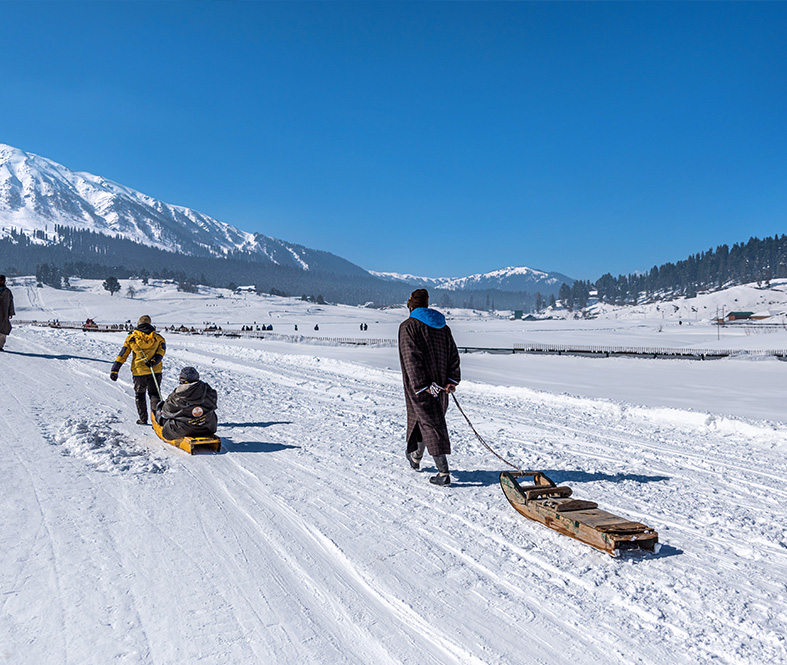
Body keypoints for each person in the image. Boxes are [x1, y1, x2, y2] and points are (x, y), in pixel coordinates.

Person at [398, 288, 461, 486]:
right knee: (422, 420)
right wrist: (451, 380)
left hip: (422, 387)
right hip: (441, 387)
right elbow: (453, 355)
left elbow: (411, 359)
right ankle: (415, 457)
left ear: (410, 306)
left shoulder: (408, 326)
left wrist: (423, 385)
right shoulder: (443, 327)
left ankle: (443, 473)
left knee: (431, 424)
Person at [109, 315, 166, 425]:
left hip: (139, 372)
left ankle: (143, 419)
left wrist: (115, 370)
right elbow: (162, 351)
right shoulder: (158, 338)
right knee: (154, 394)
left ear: (138, 324)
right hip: (155, 370)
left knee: (140, 395)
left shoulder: (132, 338)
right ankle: (157, 420)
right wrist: (154, 361)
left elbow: (123, 354)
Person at [155, 366, 218, 440]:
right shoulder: (207, 389)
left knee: (166, 426)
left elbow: (167, 411)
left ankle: (160, 421)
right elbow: (213, 404)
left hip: (184, 429)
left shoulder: (179, 395)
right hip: (208, 426)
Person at [0, 275, 14, 351]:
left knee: (3, 331)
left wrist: (11, 312)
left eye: (2, 280)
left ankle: (0, 346)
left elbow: (11, 302)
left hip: (4, 314)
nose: (1, 281)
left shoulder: (7, 291)